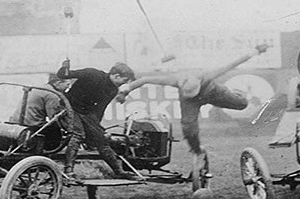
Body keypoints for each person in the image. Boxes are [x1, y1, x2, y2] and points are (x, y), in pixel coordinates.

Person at [115, 44, 270, 160]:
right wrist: (124, 91)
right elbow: (144, 80)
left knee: (242, 104)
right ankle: (196, 150)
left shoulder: (208, 75)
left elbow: (234, 63)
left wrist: (256, 51)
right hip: (191, 102)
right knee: (188, 127)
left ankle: (236, 93)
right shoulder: (174, 80)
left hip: (213, 92)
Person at [56, 60, 137, 182]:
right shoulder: (92, 74)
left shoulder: (113, 90)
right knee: (78, 135)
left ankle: (119, 171)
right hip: (68, 107)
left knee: (101, 140)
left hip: (86, 113)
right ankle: (69, 171)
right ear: (117, 76)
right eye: (124, 81)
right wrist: (65, 66)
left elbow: (99, 110)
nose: (123, 84)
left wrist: (97, 130)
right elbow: (63, 75)